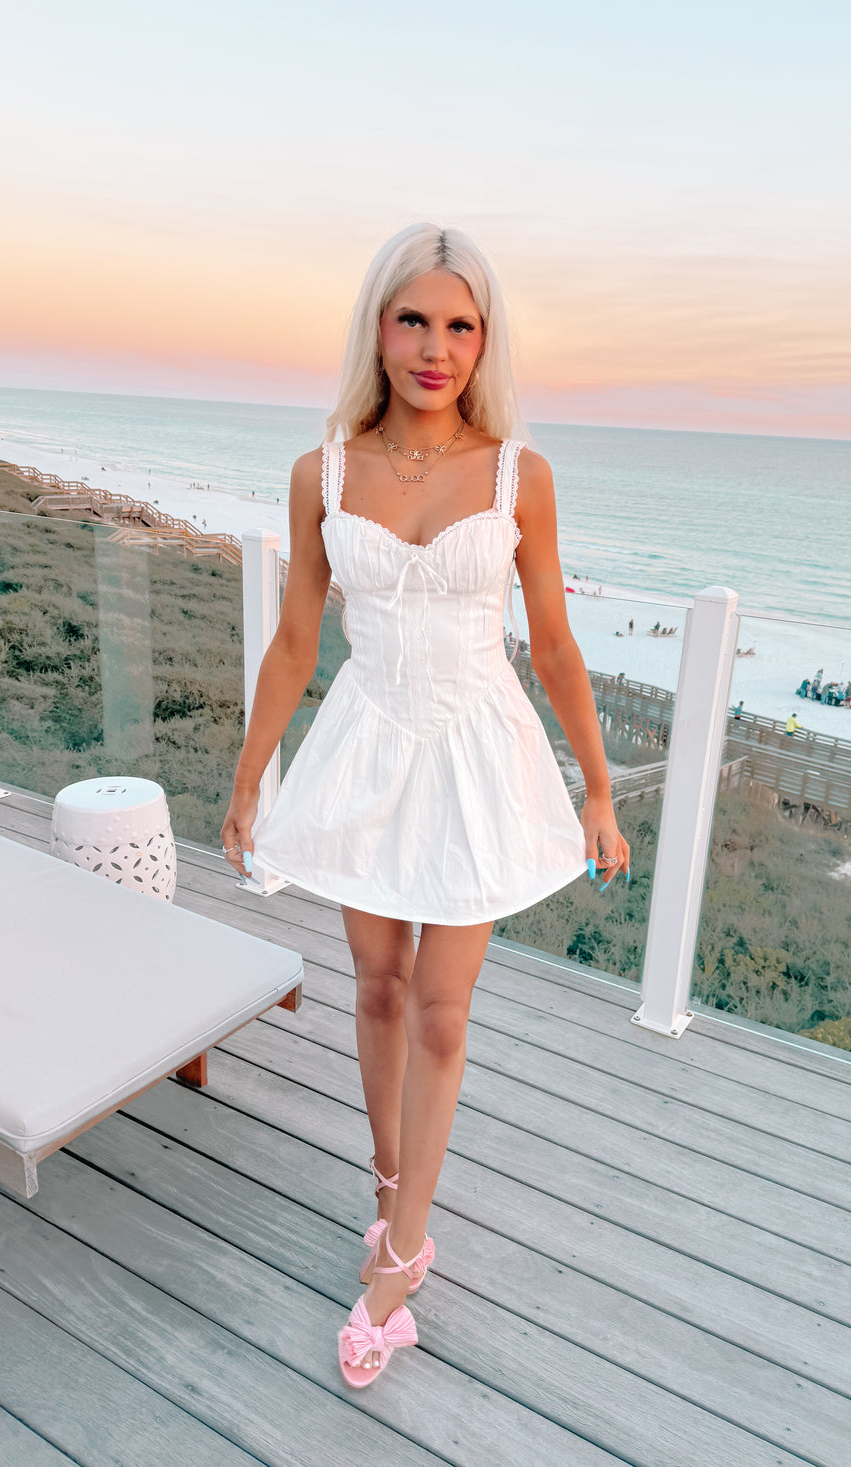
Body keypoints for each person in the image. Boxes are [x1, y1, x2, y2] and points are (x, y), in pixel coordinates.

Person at [219, 224, 629, 1388]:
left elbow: (551, 644)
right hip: (361, 748)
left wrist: (596, 791)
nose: (434, 347)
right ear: (378, 329)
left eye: (458, 324)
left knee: (441, 1014)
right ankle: (391, 1190)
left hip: (475, 757)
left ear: (483, 340)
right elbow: (297, 638)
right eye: (413, 319)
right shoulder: (324, 471)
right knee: (379, 988)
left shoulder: (517, 475)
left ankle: (401, 1256)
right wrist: (252, 774)